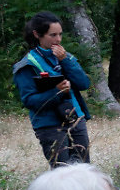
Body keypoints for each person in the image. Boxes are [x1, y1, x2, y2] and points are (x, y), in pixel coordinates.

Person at [13, 12, 92, 168]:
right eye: (53, 35)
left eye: (60, 34)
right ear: (37, 34)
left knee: (84, 171)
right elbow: (29, 101)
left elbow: (84, 84)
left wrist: (66, 61)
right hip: (49, 125)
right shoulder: (27, 64)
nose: (58, 40)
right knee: (62, 174)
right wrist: (56, 92)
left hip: (76, 119)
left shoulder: (65, 56)